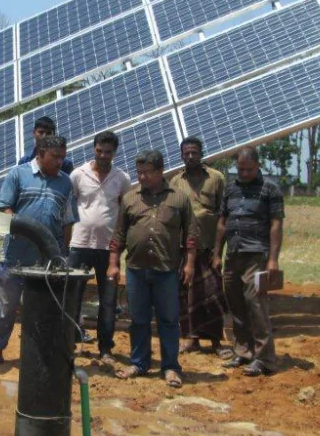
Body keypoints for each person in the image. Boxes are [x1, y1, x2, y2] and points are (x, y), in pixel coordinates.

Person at [0, 135, 79, 370]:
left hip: (46, 262)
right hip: (14, 257)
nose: (60, 162)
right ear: (40, 153)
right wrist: (25, 228)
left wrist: (62, 254)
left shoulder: (65, 182)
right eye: (55, 157)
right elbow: (4, 208)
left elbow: (67, 221)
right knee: (4, 308)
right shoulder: (18, 174)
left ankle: (37, 356)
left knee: (41, 311)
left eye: (62, 157)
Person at [108, 150, 198, 388]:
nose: (141, 177)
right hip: (136, 270)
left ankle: (170, 367)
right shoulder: (130, 198)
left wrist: (189, 264)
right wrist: (113, 264)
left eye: (146, 173)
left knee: (168, 320)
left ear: (160, 171)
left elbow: (191, 235)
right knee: (138, 320)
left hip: (166, 270)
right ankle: (139, 363)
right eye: (139, 173)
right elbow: (119, 235)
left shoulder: (179, 199)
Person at [213, 146, 284, 377]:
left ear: (257, 165)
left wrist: (273, 260)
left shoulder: (269, 189)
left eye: (248, 170)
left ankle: (265, 359)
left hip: (257, 254)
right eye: (240, 169)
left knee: (255, 303)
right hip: (233, 254)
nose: (243, 174)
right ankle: (243, 351)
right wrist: (217, 253)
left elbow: (276, 224)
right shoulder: (230, 189)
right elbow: (222, 223)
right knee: (235, 303)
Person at [68, 130, 132, 360]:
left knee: (108, 299)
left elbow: (126, 210)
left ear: (115, 152)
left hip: (108, 248)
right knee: (73, 296)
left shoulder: (122, 178)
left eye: (108, 152)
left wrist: (121, 242)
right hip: (80, 244)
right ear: (93, 149)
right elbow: (69, 206)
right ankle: (70, 343)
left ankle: (105, 348)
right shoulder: (78, 175)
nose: (103, 155)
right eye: (99, 150)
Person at [173, 137, 229, 357]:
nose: (190, 156)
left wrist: (218, 251)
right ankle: (192, 339)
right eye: (186, 153)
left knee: (212, 295)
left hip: (208, 248)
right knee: (186, 296)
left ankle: (216, 342)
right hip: (184, 249)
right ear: (181, 155)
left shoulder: (216, 178)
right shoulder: (176, 182)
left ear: (201, 153)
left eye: (194, 152)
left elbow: (224, 215)